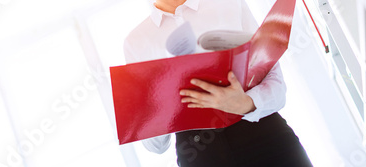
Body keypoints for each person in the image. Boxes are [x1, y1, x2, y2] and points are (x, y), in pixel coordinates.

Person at [123, 0, 312, 166]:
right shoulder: (136, 42)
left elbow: (277, 84)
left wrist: (246, 103)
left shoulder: (228, 3)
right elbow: (155, 146)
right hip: (199, 153)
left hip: (263, 136)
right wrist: (162, 109)